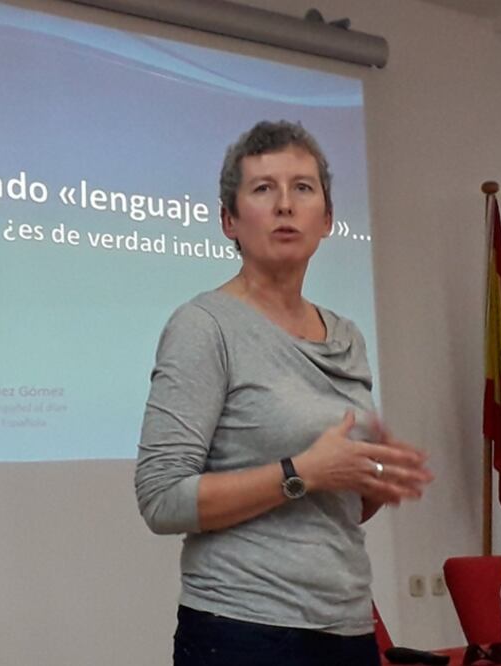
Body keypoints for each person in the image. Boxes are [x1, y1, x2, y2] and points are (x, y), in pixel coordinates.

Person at [135, 120, 434, 666]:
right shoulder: (204, 326)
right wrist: (302, 472)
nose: (285, 205)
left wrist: (373, 480)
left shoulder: (346, 335)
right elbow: (161, 499)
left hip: (348, 624)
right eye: (263, 188)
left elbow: (336, 507)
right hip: (242, 630)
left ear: (328, 219)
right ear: (229, 220)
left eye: (302, 187)